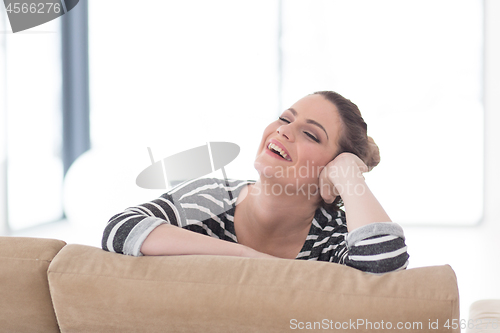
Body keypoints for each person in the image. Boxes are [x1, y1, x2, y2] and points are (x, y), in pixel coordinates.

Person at [102, 91, 409, 274]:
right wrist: (253, 261)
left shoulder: (332, 234)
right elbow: (120, 229)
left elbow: (384, 265)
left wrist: (347, 174)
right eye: (285, 118)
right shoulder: (211, 198)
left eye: (311, 135)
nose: (284, 131)